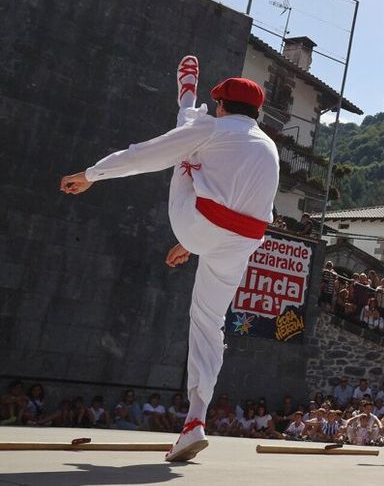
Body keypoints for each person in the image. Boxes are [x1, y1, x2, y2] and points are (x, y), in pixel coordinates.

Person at [60, 57, 279, 462]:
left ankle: (186, 99)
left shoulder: (211, 127)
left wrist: (91, 174)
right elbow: (236, 201)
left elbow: (145, 155)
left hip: (199, 224)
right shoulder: (269, 146)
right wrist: (196, 243)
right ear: (256, 112)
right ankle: (196, 419)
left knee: (182, 140)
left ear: (221, 106)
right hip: (242, 241)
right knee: (209, 322)